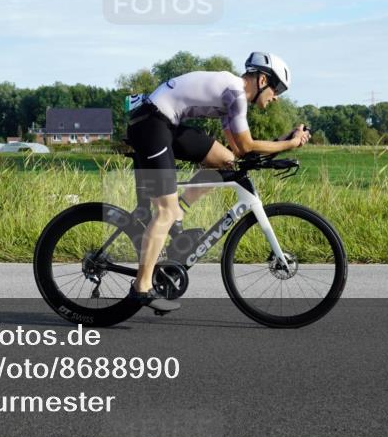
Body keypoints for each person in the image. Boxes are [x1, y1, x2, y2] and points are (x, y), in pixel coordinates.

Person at [125, 52, 311, 313]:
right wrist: (289, 143)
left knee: (224, 161)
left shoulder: (231, 99)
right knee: (164, 212)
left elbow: (237, 152)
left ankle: (177, 214)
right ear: (261, 80)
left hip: (164, 123)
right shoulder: (234, 92)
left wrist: (282, 142)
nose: (277, 96)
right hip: (150, 124)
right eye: (277, 87)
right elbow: (247, 145)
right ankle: (141, 288)